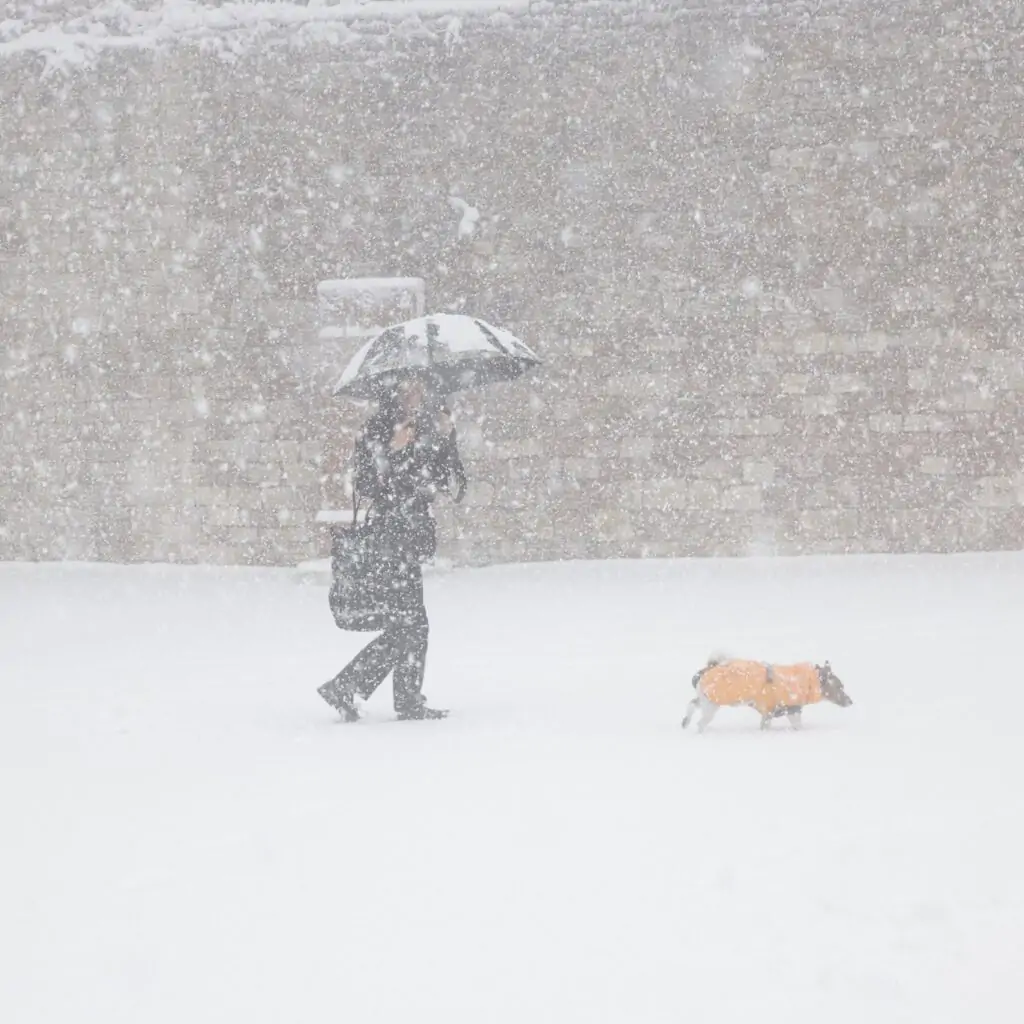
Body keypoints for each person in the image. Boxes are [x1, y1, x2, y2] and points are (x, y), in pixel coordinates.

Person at [317, 373, 466, 722]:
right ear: (393, 392)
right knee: (411, 624)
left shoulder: (428, 425)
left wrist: (447, 438)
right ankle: (356, 688)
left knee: (412, 623)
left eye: (421, 387)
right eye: (407, 387)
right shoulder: (377, 428)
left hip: (412, 538)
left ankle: (396, 697)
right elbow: (366, 485)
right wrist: (392, 450)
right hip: (387, 539)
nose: (415, 394)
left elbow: (444, 482)